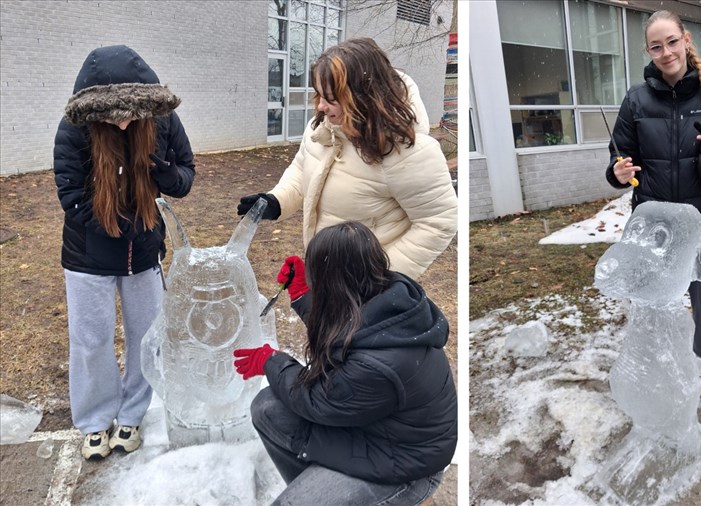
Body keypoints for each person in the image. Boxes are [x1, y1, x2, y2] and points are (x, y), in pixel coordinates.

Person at [232, 221, 457, 505]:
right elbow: (346, 328)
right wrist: (302, 294)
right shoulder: (385, 297)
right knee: (268, 408)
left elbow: (315, 400)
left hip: (405, 467)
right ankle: (320, 489)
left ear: (332, 282)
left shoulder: (377, 364)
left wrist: (271, 361)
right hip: (376, 434)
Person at [53, 45, 195, 460]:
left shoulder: (164, 122)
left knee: (146, 338)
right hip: (86, 257)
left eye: (130, 112)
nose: (122, 121)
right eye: (111, 114)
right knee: (90, 339)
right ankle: (95, 421)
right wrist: (119, 227)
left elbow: (186, 174)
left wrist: (165, 172)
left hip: (144, 256)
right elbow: (72, 197)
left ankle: (133, 414)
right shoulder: (74, 129)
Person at [236, 38, 457, 281]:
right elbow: (302, 170)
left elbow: (438, 222)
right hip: (328, 279)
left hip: (370, 295)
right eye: (318, 95)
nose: (320, 107)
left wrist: (380, 281)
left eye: (331, 99)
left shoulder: (408, 151)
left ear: (365, 96)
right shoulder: (320, 129)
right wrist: (276, 201)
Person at [604, 10, 701, 393]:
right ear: (648, 51)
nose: (666, 52)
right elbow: (617, 158)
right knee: (651, 294)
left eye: (672, 42)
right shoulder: (637, 100)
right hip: (655, 221)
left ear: (686, 40)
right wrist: (618, 172)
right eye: (656, 46)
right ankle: (655, 354)